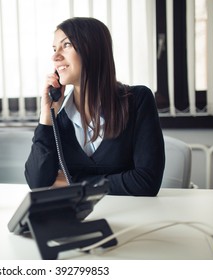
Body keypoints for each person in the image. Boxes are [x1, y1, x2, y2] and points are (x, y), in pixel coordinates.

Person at [24, 17, 165, 196]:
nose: (55, 56)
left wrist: (71, 182)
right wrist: (46, 115)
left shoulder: (137, 100)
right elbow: (38, 182)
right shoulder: (58, 114)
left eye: (66, 45)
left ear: (91, 49)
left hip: (132, 214)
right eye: (54, 49)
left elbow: (146, 182)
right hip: (76, 216)